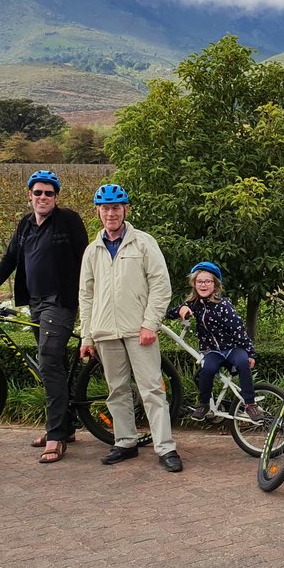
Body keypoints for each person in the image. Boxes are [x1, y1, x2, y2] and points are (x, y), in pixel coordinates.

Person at [0, 170, 87, 465]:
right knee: (56, 364)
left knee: (48, 364)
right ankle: (67, 425)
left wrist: (90, 298)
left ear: (56, 197)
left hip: (60, 302)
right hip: (36, 303)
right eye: (38, 193)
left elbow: (86, 258)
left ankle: (56, 436)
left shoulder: (69, 220)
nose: (43, 198)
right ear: (30, 195)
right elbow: (11, 258)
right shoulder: (25, 224)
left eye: (49, 193)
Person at [78, 184, 181, 472]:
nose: (110, 213)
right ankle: (125, 442)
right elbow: (86, 295)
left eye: (116, 207)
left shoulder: (144, 243)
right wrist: (87, 334)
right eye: (105, 208)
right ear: (98, 211)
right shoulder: (92, 251)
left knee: (151, 390)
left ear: (126, 209)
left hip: (139, 332)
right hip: (105, 332)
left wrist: (150, 323)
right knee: (117, 390)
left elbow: (161, 285)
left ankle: (166, 447)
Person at [168, 261, 260, 423]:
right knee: (207, 369)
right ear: (194, 284)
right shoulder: (194, 304)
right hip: (212, 351)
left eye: (208, 281)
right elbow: (170, 314)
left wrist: (250, 353)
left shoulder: (224, 306)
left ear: (215, 285)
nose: (203, 285)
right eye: (199, 281)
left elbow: (239, 330)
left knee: (243, 363)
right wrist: (181, 310)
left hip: (232, 348)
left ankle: (250, 404)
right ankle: (204, 405)